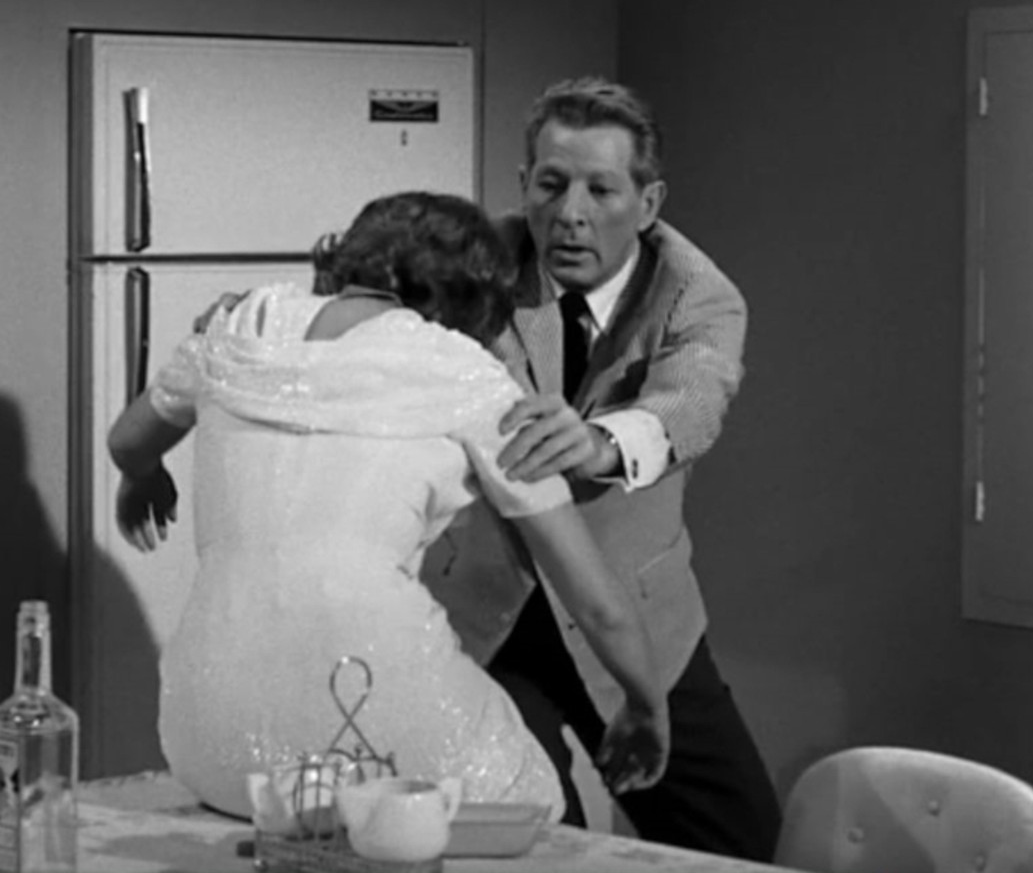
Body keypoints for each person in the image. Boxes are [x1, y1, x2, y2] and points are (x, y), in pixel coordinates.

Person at [106, 191, 668, 823]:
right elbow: (595, 603)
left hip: (207, 741)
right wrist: (645, 706)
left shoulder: (240, 324)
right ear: (476, 298)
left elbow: (126, 441)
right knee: (532, 802)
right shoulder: (463, 371)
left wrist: (143, 476)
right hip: (377, 720)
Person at [420, 76, 782, 860]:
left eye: (600, 190)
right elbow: (364, 302)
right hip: (487, 618)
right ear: (524, 184)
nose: (570, 213)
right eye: (551, 185)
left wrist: (602, 443)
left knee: (744, 843)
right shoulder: (473, 265)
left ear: (648, 203)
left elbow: (694, 401)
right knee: (532, 840)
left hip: (636, 620)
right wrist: (264, 319)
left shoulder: (699, 294)